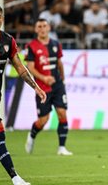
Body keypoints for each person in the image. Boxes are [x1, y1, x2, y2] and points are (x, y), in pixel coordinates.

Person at [0, 5, 46, 185]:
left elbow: (20, 68)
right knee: (0, 137)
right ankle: (16, 178)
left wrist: (36, 87)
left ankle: (16, 178)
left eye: (0, 16)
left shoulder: (7, 41)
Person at [25, 18, 73, 156]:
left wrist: (62, 78)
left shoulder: (55, 44)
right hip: (42, 88)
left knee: (62, 113)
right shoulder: (32, 46)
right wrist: (44, 78)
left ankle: (62, 148)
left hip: (57, 85)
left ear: (49, 28)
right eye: (39, 26)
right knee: (43, 120)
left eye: (44, 26)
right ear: (36, 29)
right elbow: (31, 68)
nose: (42, 29)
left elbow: (59, 62)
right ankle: (32, 135)